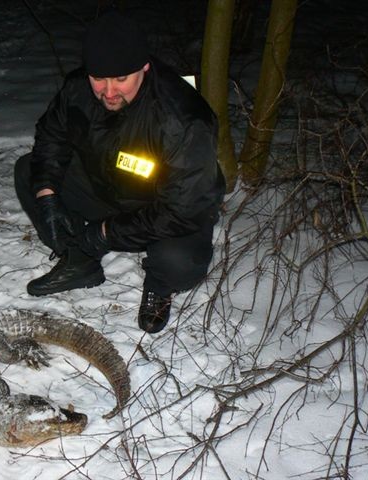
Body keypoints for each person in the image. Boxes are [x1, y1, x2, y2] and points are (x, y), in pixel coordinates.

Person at [14, 10, 225, 334]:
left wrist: (103, 234)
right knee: (30, 171)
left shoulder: (183, 119)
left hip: (164, 208)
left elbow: (181, 209)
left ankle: (158, 286)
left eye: (121, 79)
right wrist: (48, 197)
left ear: (144, 68)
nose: (109, 91)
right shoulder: (78, 89)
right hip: (108, 184)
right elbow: (51, 138)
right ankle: (79, 261)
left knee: (180, 263)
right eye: (99, 78)